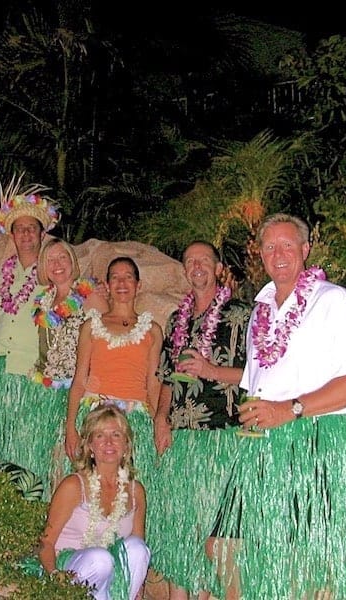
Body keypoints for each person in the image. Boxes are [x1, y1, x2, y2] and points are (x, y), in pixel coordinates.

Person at [207, 213, 346, 600]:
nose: (278, 253)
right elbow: (253, 383)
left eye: (287, 245)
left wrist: (290, 409)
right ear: (260, 255)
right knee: (224, 547)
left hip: (312, 439)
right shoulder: (260, 311)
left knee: (299, 562)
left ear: (305, 250)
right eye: (269, 247)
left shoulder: (333, 301)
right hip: (258, 445)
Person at [148, 241, 251, 600]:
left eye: (203, 260)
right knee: (180, 524)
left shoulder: (242, 314)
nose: (196, 266)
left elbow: (257, 373)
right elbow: (165, 377)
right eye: (189, 261)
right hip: (179, 436)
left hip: (218, 436)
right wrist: (161, 419)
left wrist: (210, 370)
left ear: (218, 267)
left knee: (208, 526)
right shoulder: (177, 320)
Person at [0, 173, 62, 494]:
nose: (26, 234)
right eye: (20, 229)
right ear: (12, 234)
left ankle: (27, 506)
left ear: (42, 234)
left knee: (29, 447)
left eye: (32, 228)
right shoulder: (1, 272)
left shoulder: (53, 272)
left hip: (32, 375)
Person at [64, 256, 163, 484]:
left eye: (128, 277)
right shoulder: (91, 326)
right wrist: (70, 427)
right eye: (115, 278)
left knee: (130, 488)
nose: (121, 283)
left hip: (135, 418)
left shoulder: (153, 330)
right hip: (96, 416)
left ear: (138, 286)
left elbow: (153, 383)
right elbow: (79, 380)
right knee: (93, 486)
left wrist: (158, 423)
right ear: (107, 286)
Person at [38, 404, 150, 600]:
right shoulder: (73, 485)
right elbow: (45, 542)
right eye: (99, 435)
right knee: (100, 559)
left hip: (112, 573)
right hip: (70, 571)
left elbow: (137, 555)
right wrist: (54, 576)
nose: (108, 442)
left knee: (138, 548)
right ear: (89, 447)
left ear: (126, 445)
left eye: (115, 435)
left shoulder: (136, 491)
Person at [32, 238, 109, 495]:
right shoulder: (43, 301)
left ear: (73, 261)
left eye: (62, 257)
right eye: (50, 259)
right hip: (47, 395)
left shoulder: (90, 295)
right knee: (52, 465)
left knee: (81, 465)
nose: (57, 264)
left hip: (80, 393)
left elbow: (108, 342)